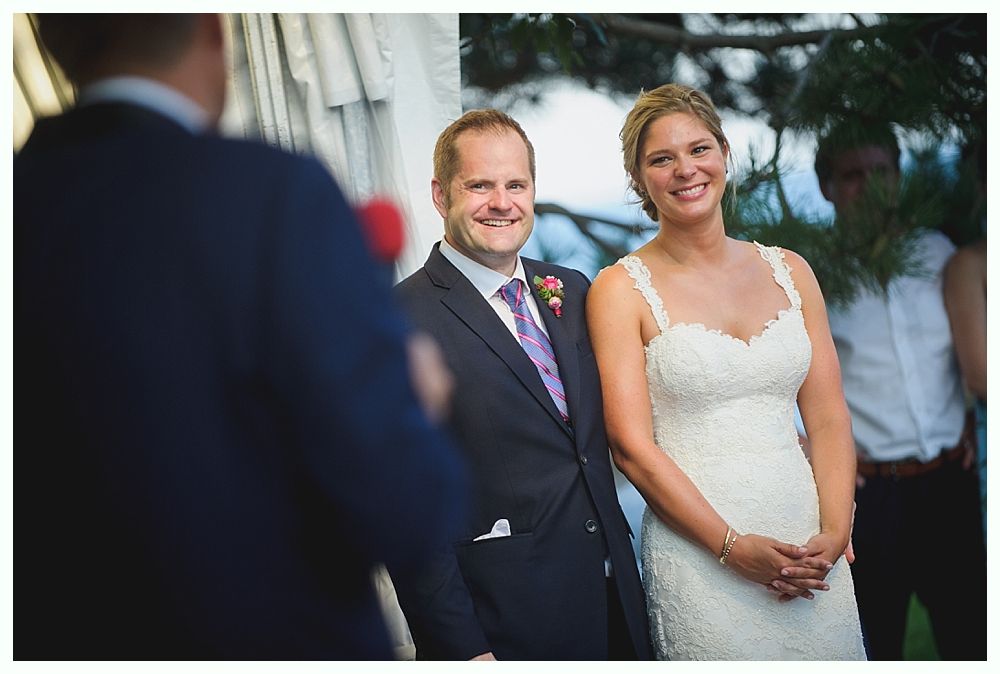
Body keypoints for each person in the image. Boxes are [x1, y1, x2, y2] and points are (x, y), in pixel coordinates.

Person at [15, 14, 465, 660]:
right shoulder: (276, 195)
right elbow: (406, 506)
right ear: (212, 32)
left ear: (51, 39)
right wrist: (414, 397)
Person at [587, 83, 866, 660]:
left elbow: (830, 418)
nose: (685, 170)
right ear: (639, 180)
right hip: (701, 554)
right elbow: (631, 447)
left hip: (808, 543)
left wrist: (835, 530)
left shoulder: (791, 269)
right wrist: (730, 547)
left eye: (698, 149)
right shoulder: (619, 289)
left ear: (724, 153)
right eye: (661, 159)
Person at [390, 109, 652, 660]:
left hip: (617, 605)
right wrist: (463, 649)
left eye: (516, 184)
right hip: (505, 627)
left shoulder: (573, 291)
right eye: (479, 185)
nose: (501, 202)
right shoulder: (399, 320)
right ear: (441, 195)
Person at [814, 122, 986, 660]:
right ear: (827, 187)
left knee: (973, 637)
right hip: (871, 497)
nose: (867, 185)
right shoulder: (812, 274)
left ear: (899, 175)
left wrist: (965, 426)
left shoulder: (940, 255)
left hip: (951, 485)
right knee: (876, 644)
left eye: (880, 171)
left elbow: (971, 351)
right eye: (851, 175)